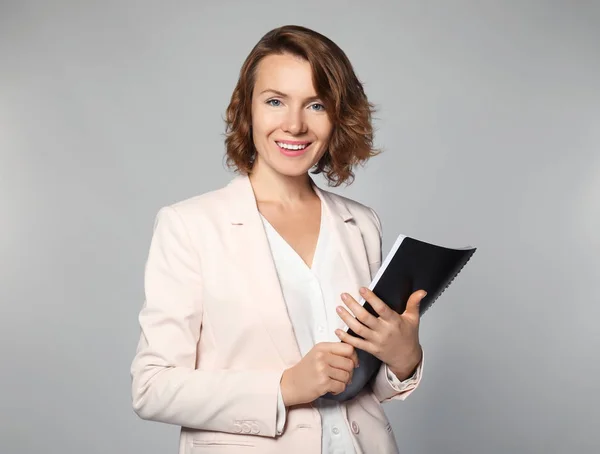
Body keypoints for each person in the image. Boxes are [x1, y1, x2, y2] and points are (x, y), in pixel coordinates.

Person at [130, 24, 426, 454]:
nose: (294, 124)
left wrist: (403, 358)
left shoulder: (361, 223)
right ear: (247, 110)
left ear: (337, 116)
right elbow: (151, 387)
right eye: (275, 101)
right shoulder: (189, 225)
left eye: (316, 105)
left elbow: (363, 384)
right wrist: (283, 387)